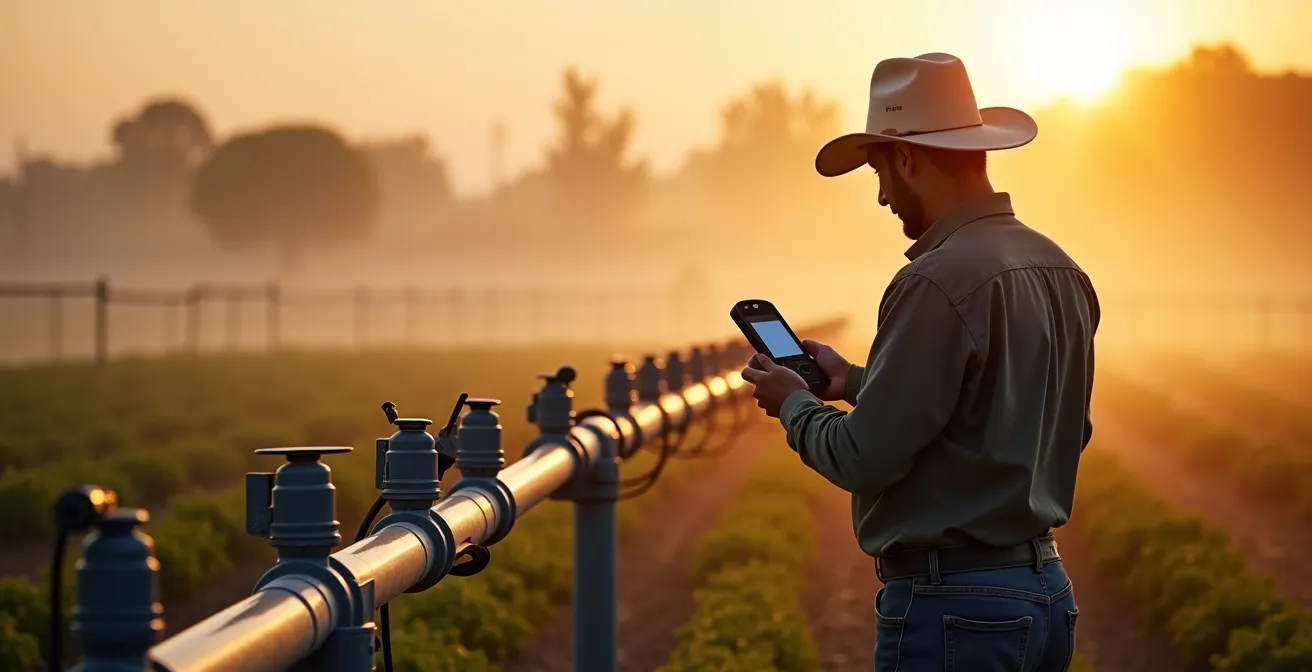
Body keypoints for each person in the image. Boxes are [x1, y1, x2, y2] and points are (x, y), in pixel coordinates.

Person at [740, 52, 1100, 671]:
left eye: (880, 172)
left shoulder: (934, 281)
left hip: (955, 606)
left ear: (906, 158)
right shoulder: (1062, 270)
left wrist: (793, 403)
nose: (883, 197)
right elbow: (1030, 422)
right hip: (1046, 595)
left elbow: (861, 456)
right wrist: (855, 382)